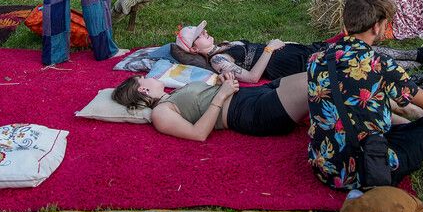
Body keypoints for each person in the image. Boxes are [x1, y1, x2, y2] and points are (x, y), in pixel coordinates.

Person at [307, 0, 423, 191]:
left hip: (324, 166)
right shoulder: (381, 64)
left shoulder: (315, 60)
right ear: (377, 26)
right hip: (366, 172)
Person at [169, 21, 423, 82]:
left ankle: (416, 56)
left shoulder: (224, 44)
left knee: (353, 47)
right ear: (195, 48)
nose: (205, 33)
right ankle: (409, 69)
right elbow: (252, 78)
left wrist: (283, 44)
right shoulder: (218, 59)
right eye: (200, 36)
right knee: (353, 58)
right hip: (292, 66)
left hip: (296, 52)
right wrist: (269, 48)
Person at [112, 71, 309, 140]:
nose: (149, 76)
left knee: (315, 70)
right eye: (144, 78)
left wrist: (219, 83)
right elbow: (198, 134)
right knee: (319, 82)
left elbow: (202, 99)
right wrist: (221, 94)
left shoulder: (173, 95)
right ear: (143, 91)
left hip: (256, 93)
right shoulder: (160, 113)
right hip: (251, 112)